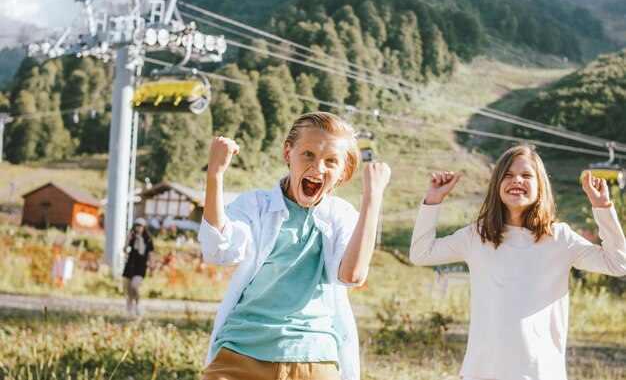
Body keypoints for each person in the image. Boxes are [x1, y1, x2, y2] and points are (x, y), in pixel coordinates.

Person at [198, 112, 391, 380]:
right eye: (308, 154)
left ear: (343, 171)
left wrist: (373, 197)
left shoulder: (341, 216)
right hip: (241, 353)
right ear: (288, 153)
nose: (318, 168)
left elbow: (352, 275)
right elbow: (218, 250)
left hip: (314, 360)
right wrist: (215, 175)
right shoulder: (256, 205)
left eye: (331, 161)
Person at [410, 144, 626, 380]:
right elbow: (421, 254)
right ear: (497, 185)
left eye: (526, 175)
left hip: (540, 372)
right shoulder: (476, 236)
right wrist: (433, 201)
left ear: (540, 187)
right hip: (482, 372)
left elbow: (618, 263)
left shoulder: (560, 238)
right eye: (509, 175)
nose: (517, 181)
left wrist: (603, 208)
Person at [122, 217, 155, 319]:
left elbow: (150, 255)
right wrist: (127, 239)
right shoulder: (132, 237)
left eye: (140, 226)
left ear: (144, 227)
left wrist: (152, 268)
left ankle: (137, 304)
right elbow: (125, 249)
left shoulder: (147, 240)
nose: (138, 228)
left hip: (141, 266)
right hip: (131, 264)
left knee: (134, 285)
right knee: (129, 290)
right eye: (137, 225)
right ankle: (128, 310)